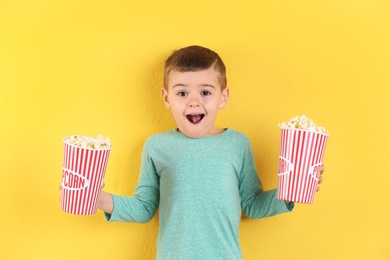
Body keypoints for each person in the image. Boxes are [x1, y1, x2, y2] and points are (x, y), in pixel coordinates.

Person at [97, 45, 325, 259]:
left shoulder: (237, 144)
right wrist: (96, 197)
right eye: (182, 93)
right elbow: (144, 208)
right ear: (167, 98)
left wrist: (290, 192)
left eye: (205, 92)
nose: (194, 102)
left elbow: (253, 205)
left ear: (222, 97)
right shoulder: (157, 146)